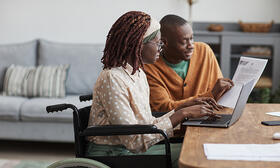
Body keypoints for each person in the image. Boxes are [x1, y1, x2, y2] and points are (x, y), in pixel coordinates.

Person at [86, 11, 221, 168]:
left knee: (198, 146)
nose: (161, 49)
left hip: (132, 150)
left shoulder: (138, 74)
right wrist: (182, 114)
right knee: (195, 153)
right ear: (138, 44)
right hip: (114, 154)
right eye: (158, 43)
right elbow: (134, 141)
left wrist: (184, 108)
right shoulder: (112, 78)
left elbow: (148, 124)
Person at [144, 14, 234, 112]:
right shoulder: (150, 66)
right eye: (184, 41)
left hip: (208, 118)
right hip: (173, 126)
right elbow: (162, 108)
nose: (191, 46)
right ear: (165, 43)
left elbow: (220, 96)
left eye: (191, 38)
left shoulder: (204, 51)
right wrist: (211, 94)